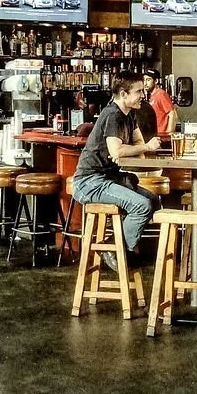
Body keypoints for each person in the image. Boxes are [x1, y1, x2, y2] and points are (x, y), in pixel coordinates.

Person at [72, 70, 162, 269]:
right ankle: (115, 247)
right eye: (138, 91)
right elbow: (118, 150)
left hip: (108, 178)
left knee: (153, 200)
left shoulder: (129, 114)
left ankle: (116, 242)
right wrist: (145, 148)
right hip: (90, 181)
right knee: (142, 206)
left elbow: (137, 143)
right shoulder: (113, 115)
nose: (143, 95)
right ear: (123, 94)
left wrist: (138, 148)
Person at [143, 69, 177, 135]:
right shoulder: (152, 96)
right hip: (155, 135)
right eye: (144, 80)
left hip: (162, 136)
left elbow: (172, 114)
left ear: (156, 81)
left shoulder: (161, 94)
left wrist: (169, 134)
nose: (145, 83)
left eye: (148, 80)